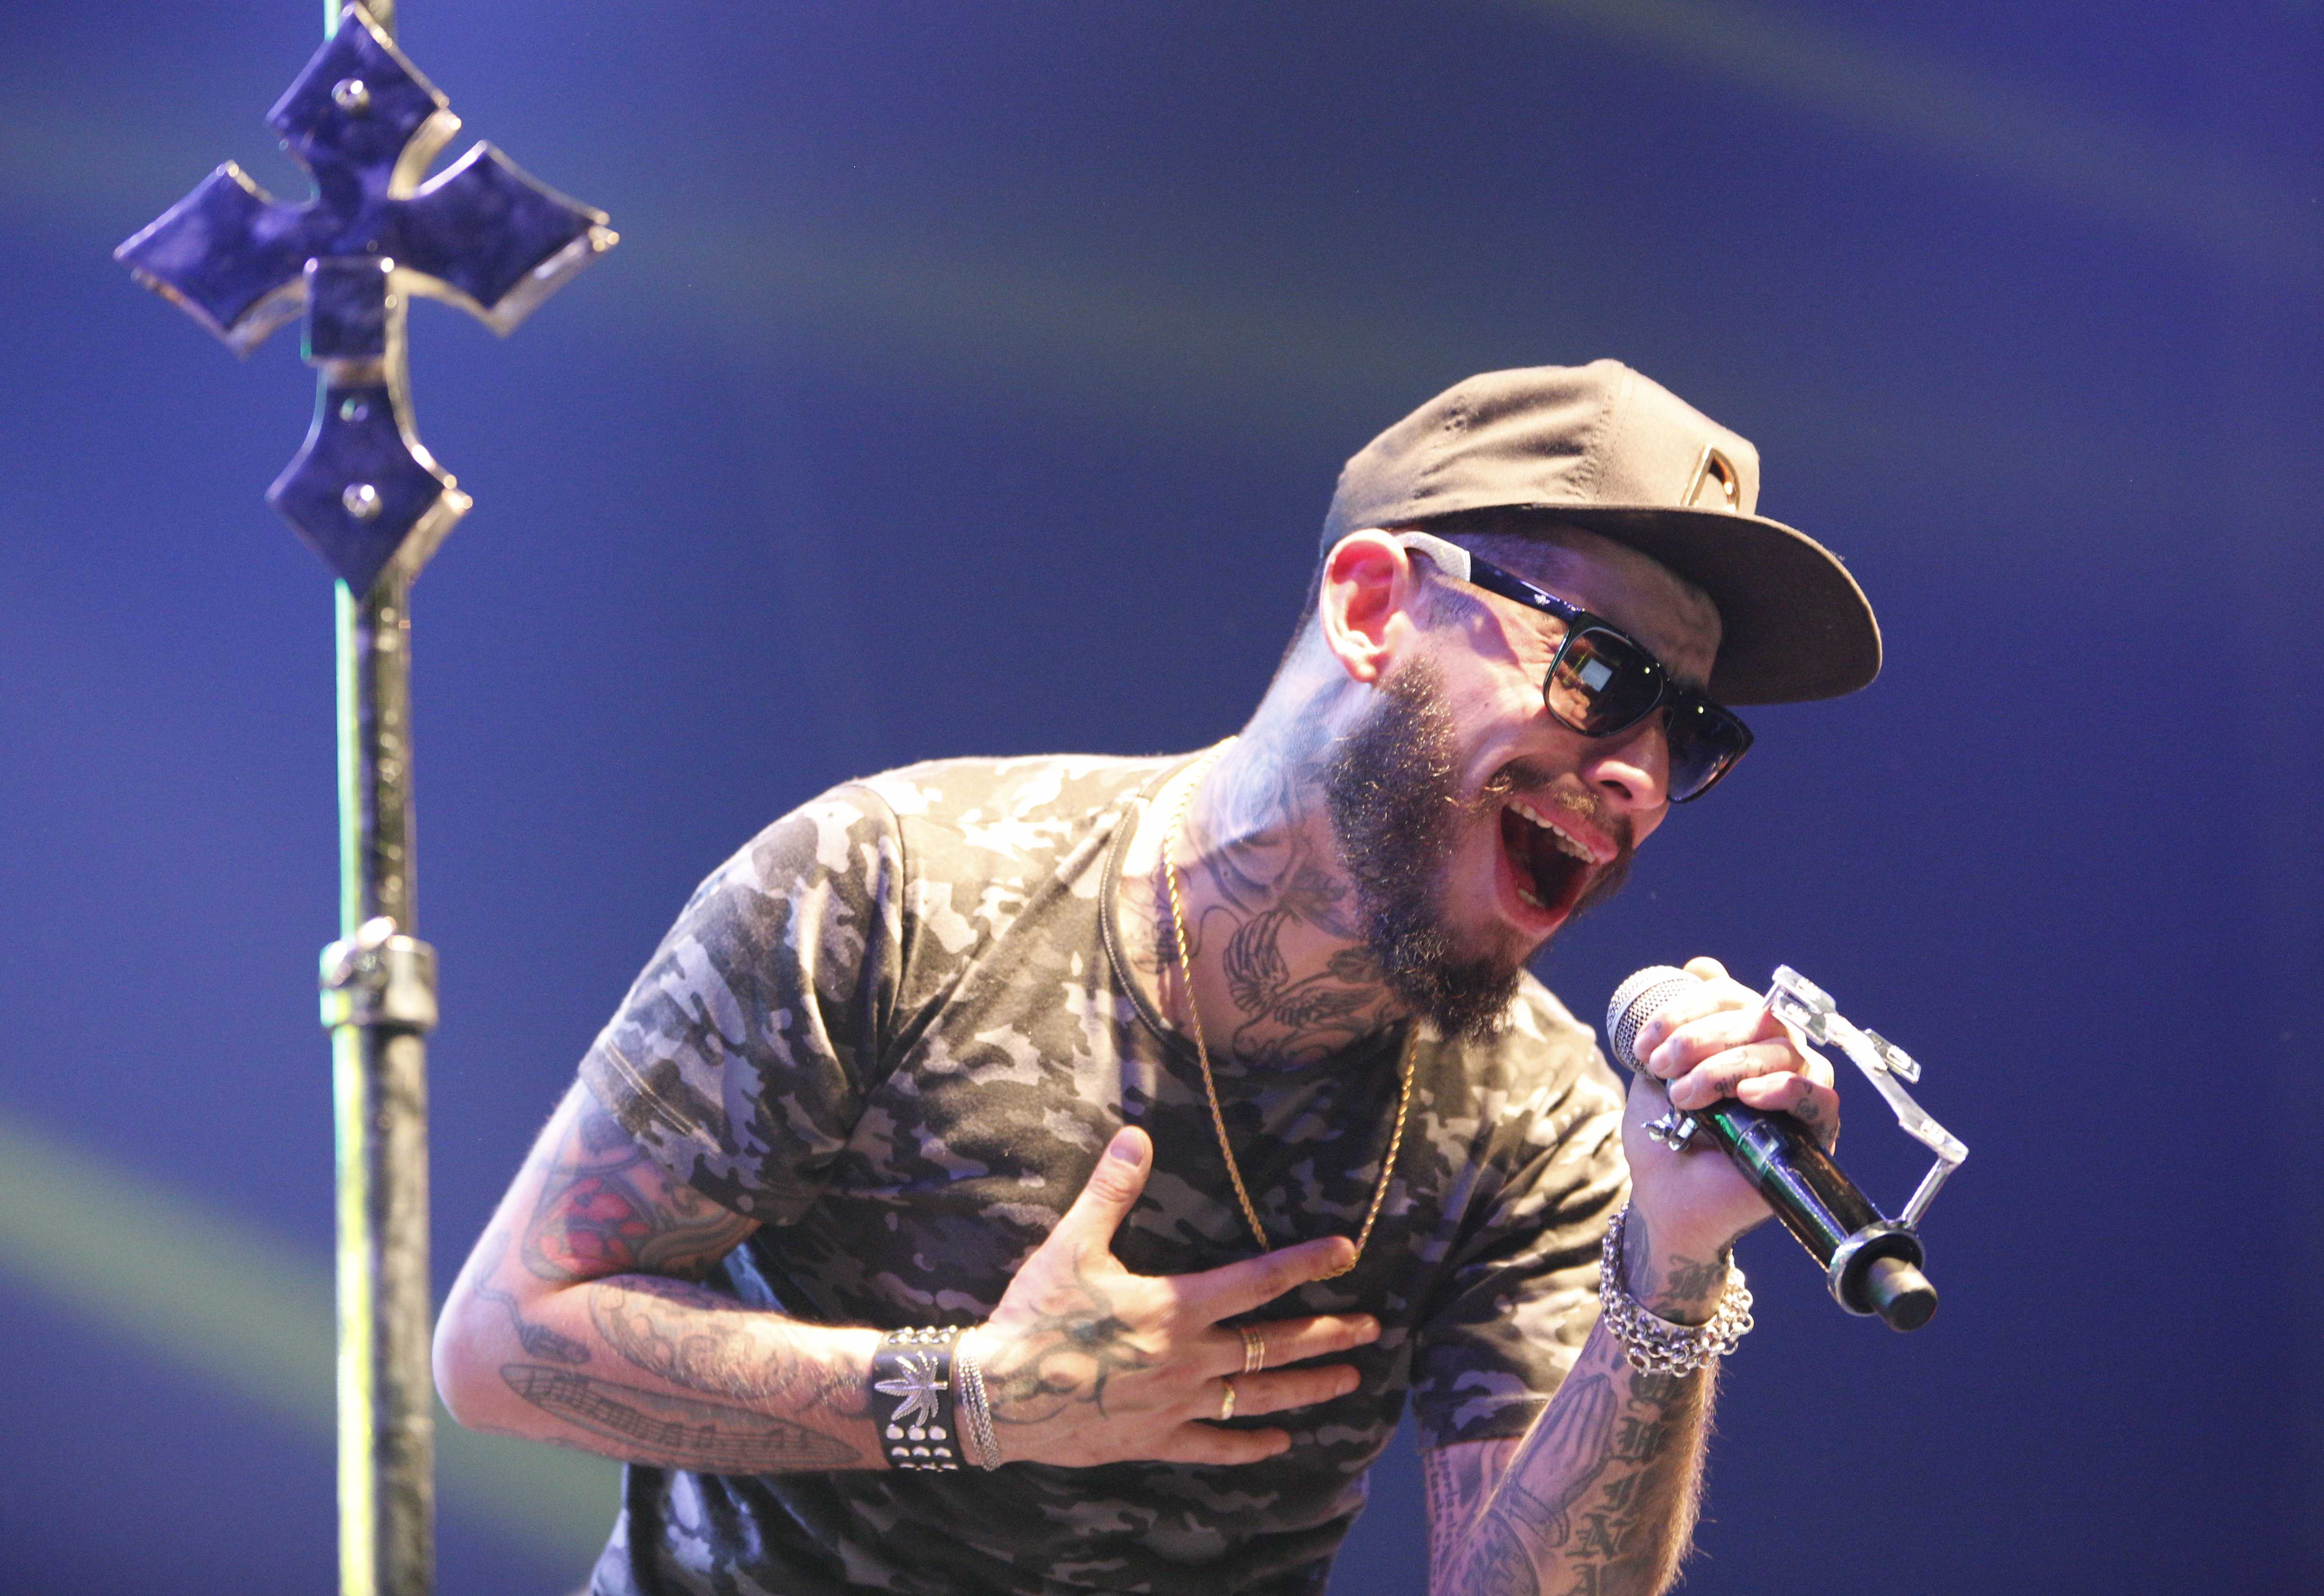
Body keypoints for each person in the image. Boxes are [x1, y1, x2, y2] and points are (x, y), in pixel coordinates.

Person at [433, 359, 1882, 1596]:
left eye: (1687, 731)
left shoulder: (1543, 1119)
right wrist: (974, 1399)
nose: (1635, 773)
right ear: (1377, 606)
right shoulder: (896, 885)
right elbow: (504, 1343)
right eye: (1606, 673)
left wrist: (1675, 1268)